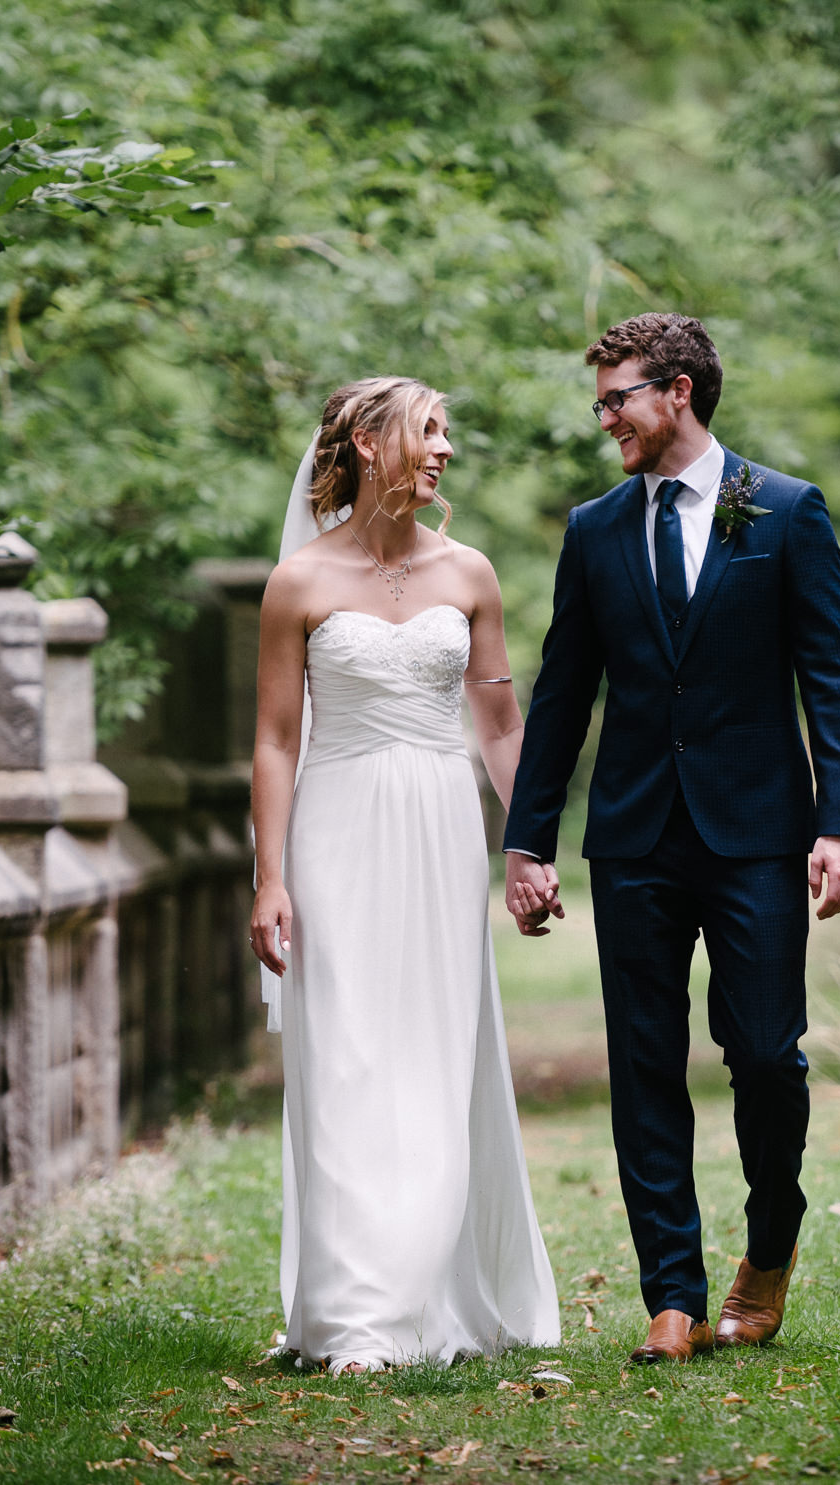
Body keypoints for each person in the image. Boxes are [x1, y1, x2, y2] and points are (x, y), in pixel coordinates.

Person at [503, 314, 840, 1365]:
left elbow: (829, 679)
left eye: (616, 398)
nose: (605, 419)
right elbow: (563, 693)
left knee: (764, 1054)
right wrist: (530, 843)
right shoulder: (595, 528)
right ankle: (673, 1293)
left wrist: (838, 824)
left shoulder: (786, 512)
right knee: (644, 1063)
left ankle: (771, 1242)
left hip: (756, 830)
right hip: (632, 837)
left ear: (676, 392)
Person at [247, 376, 560, 1374]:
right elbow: (275, 743)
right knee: (343, 1055)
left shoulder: (469, 573)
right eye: (429, 431)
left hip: (436, 826)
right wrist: (269, 876)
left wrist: (530, 843)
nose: (445, 451)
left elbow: (501, 727)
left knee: (431, 1055)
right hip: (333, 829)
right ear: (370, 444)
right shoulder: (297, 583)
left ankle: (423, 1292)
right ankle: (355, 1321)